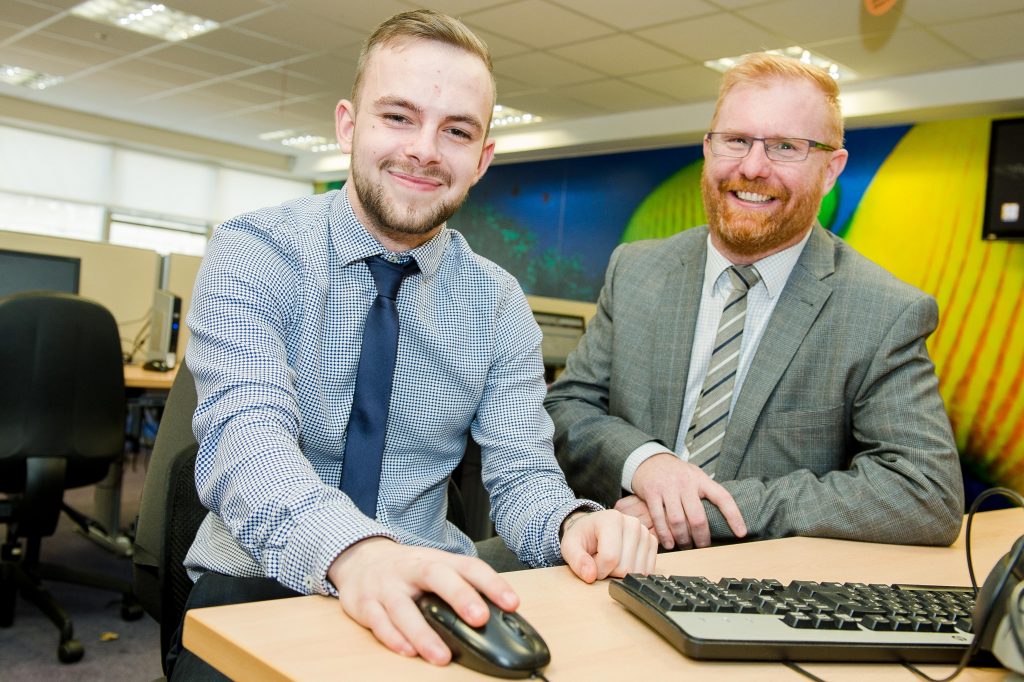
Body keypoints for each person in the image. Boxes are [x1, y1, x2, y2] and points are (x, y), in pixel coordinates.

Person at [168, 9, 656, 680]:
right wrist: (362, 555)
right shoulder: (256, 252)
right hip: (259, 577)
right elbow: (248, 443)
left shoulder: (498, 302)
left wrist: (574, 525)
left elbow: (521, 477)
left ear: (482, 159)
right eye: (398, 117)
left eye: (456, 130)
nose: (425, 149)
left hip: (433, 591)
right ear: (348, 124)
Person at [544, 52, 964, 554]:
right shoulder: (636, 270)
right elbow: (568, 408)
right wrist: (645, 463)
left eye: (786, 146)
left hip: (763, 592)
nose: (752, 167)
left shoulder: (882, 311)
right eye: (736, 140)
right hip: (607, 553)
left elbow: (924, 493)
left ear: (831, 169)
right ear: (708, 146)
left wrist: (707, 508)